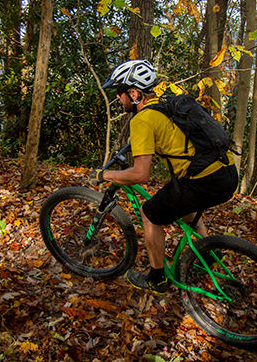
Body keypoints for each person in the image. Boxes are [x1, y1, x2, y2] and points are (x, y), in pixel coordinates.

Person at [92, 59, 239, 294]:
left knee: (149, 214)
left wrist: (104, 174)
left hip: (203, 182)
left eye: (120, 92)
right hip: (226, 172)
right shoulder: (165, 103)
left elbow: (141, 175)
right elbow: (167, 131)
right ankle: (209, 254)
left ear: (134, 93)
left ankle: (157, 279)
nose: (117, 98)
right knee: (185, 202)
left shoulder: (141, 120)